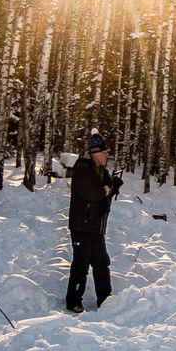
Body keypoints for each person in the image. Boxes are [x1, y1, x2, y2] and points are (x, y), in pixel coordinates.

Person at [65, 132, 119, 314]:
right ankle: (73, 301)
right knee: (81, 263)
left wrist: (113, 187)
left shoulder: (101, 170)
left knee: (101, 262)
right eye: (104, 153)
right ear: (96, 153)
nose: (107, 156)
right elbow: (89, 193)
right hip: (82, 225)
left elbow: (105, 192)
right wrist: (104, 191)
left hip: (96, 226)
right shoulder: (82, 169)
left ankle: (105, 299)